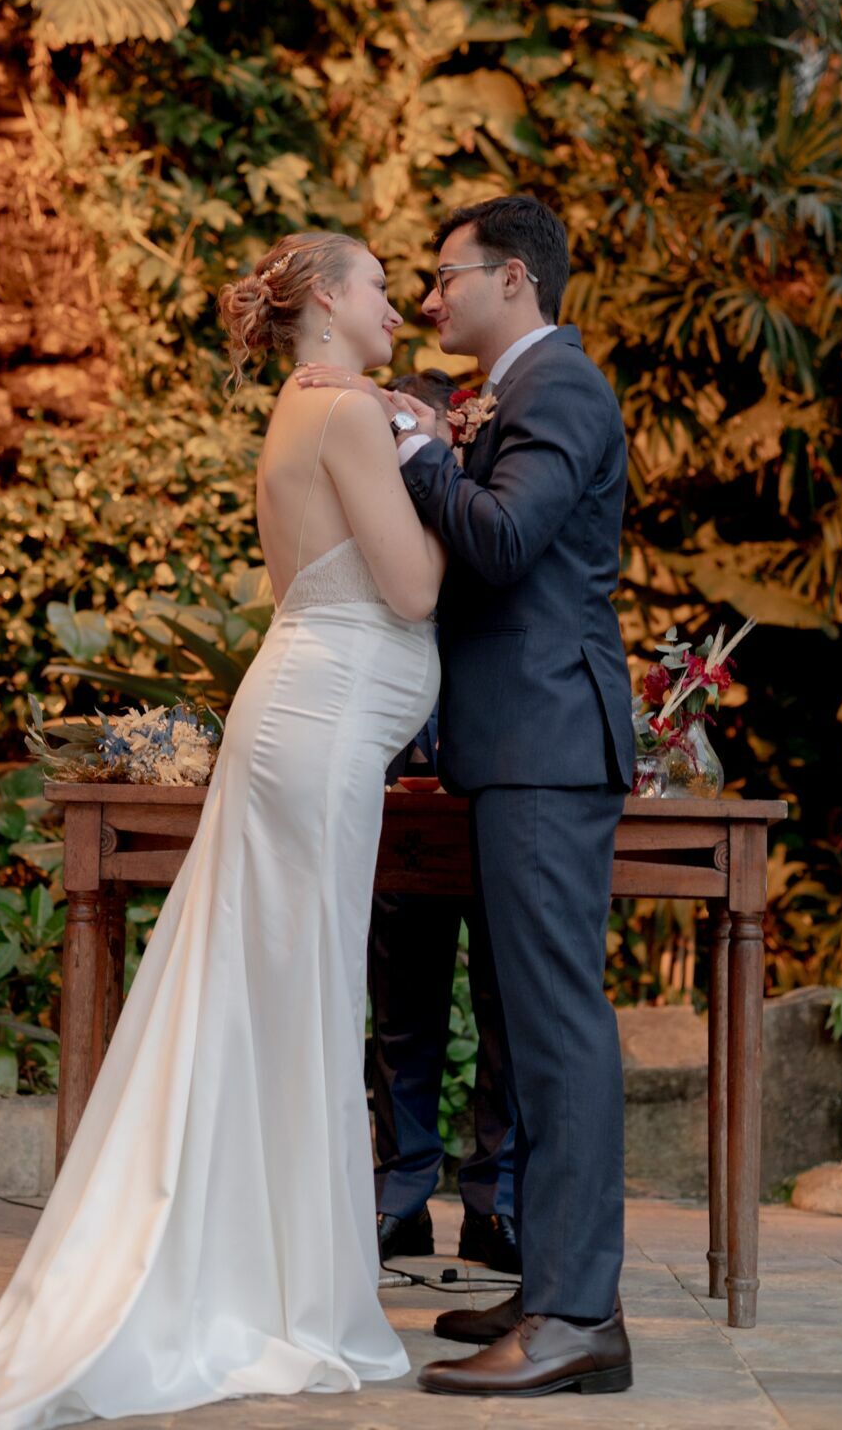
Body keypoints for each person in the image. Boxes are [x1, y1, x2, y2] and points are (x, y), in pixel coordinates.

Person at [0, 231, 446, 1429]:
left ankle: (272, 1271)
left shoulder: (307, 405)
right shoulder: (350, 419)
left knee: (276, 1001)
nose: (398, 306)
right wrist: (436, 462)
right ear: (329, 297)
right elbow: (418, 588)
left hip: (306, 713)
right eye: (381, 284)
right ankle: (275, 1292)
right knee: (297, 1003)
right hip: (319, 725)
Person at [296, 194, 635, 1399]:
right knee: (521, 1027)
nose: (430, 300)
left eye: (447, 278)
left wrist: (421, 450)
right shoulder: (519, 393)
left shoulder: (565, 393)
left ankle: (578, 1316)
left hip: (547, 742)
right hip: (514, 745)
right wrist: (431, 435)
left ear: (515, 282)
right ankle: (549, 1285)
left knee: (556, 1030)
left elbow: (496, 544)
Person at [368, 372, 519, 1274]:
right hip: (397, 785)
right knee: (400, 1007)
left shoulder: (489, 511)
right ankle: (401, 1195)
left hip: (495, 777)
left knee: (505, 1003)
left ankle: (493, 1203)